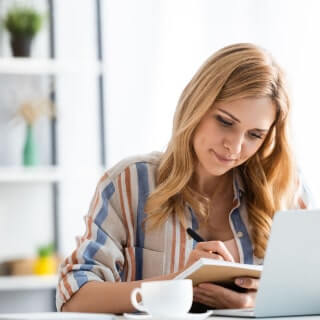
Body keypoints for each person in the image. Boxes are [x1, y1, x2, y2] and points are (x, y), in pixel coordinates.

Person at [56, 43, 312, 314]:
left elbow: (309, 296)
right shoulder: (129, 183)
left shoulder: (286, 190)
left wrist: (253, 304)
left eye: (254, 135)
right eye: (225, 122)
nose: (235, 147)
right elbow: (75, 296)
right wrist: (179, 283)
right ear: (196, 105)